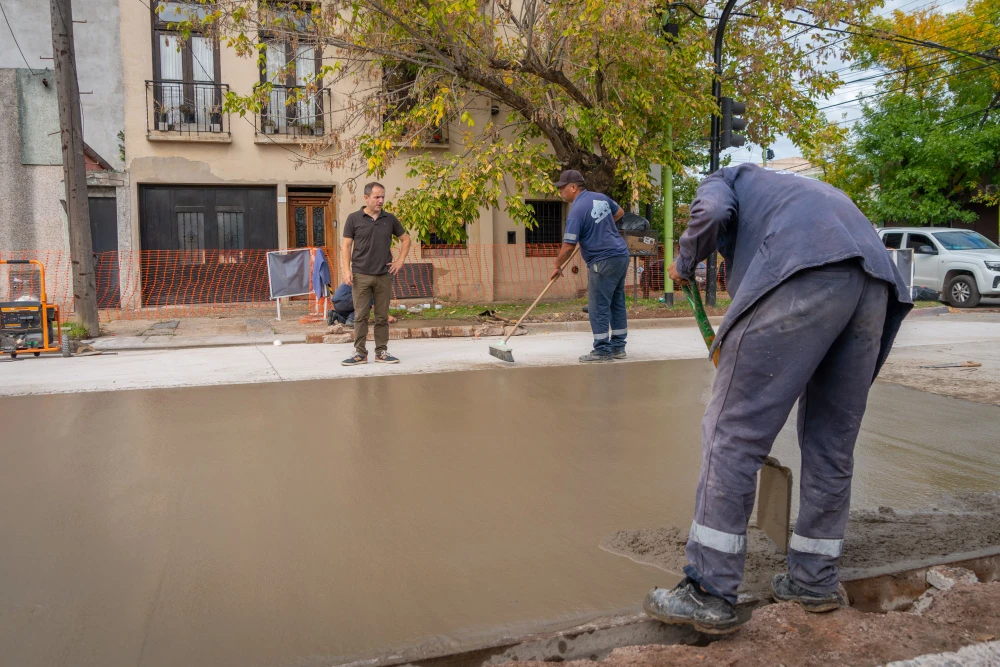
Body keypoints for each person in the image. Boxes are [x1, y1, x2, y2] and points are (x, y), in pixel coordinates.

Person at [643, 164, 913, 634]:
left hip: (804, 270)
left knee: (732, 433)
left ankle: (708, 590)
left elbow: (710, 211)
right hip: (874, 283)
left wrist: (684, 262)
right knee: (831, 442)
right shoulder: (797, 190)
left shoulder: (725, 177)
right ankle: (814, 580)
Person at [549, 169, 630, 362]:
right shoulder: (600, 198)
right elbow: (619, 212)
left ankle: (602, 350)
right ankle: (618, 347)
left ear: (573, 187)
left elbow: (568, 246)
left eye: (562, 188)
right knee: (616, 302)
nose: (559, 192)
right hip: (621, 255)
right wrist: (599, 227)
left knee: (598, 305)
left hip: (603, 260)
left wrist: (556, 265)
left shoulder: (576, 211)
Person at [340, 182, 411, 366]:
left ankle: (381, 352)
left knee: (381, 316)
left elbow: (406, 239)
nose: (381, 201)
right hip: (360, 275)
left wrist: (400, 261)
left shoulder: (390, 219)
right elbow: (346, 246)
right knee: (360, 315)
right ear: (366, 198)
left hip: (383, 275)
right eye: (377, 197)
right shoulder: (354, 218)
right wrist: (346, 270)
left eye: (382, 197)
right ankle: (360, 353)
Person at [327, 281, 396, 328]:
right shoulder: (369, 282)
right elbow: (372, 304)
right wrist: (386, 316)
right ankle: (352, 319)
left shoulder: (361, 276)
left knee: (344, 320)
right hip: (345, 300)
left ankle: (336, 315)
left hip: (338, 303)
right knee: (366, 301)